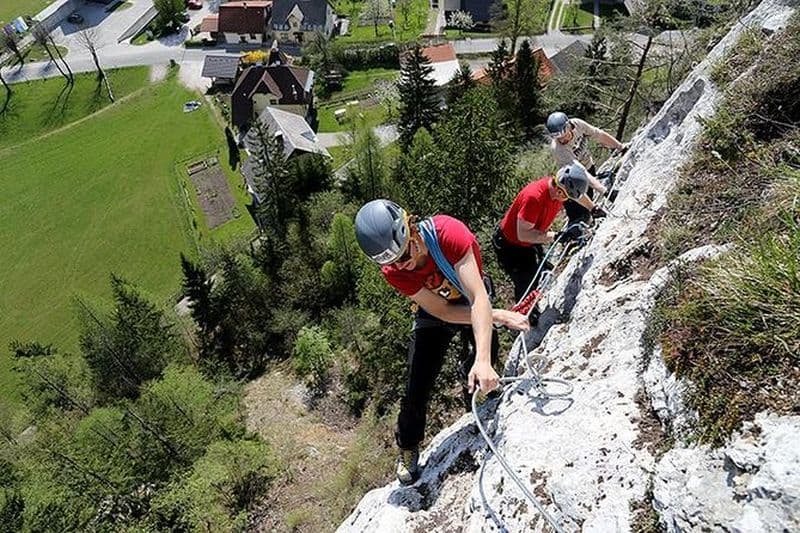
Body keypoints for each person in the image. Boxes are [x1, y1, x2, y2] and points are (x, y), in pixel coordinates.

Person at [354, 199, 530, 485]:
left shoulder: (449, 234)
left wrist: (483, 359)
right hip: (437, 308)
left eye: (404, 253)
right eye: (394, 261)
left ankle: (478, 397)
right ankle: (408, 447)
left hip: (470, 295)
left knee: (485, 350)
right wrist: (498, 315)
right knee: (417, 382)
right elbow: (442, 311)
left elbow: (477, 298)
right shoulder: (394, 271)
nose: (403, 264)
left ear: (411, 228)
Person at [493, 164, 590, 305]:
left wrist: (593, 208)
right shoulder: (534, 198)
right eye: (567, 197)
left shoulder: (558, 190)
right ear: (560, 192)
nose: (567, 200)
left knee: (539, 273)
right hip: (511, 246)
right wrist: (557, 236)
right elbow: (524, 235)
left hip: (529, 241)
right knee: (526, 282)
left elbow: (577, 196)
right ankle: (526, 319)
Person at [546, 111, 626, 224]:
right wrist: (605, 192)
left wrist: (620, 147)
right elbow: (580, 171)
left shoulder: (578, 124)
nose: (562, 140)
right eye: (558, 138)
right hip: (572, 180)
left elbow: (599, 135)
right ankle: (584, 222)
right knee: (580, 213)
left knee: (590, 196)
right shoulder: (558, 149)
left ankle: (592, 214)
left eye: (564, 136)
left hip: (588, 166)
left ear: (569, 126)